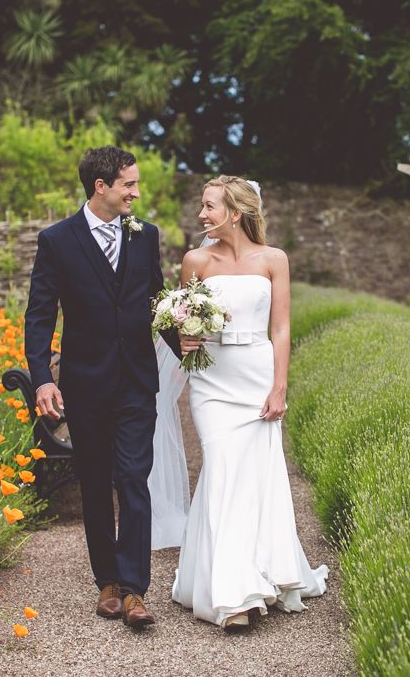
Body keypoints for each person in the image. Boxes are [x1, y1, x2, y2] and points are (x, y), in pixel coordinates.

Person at [24, 146, 180, 629]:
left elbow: (156, 300)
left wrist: (190, 350)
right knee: (94, 483)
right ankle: (106, 583)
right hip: (85, 383)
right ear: (102, 187)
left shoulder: (145, 235)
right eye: (129, 184)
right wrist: (42, 379)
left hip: (136, 380)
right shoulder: (57, 240)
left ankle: (135, 590)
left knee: (133, 478)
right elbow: (40, 313)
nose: (136, 192)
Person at [171, 175, 328, 629]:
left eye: (209, 206)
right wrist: (186, 335)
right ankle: (233, 596)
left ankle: (263, 572)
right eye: (202, 206)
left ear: (235, 213)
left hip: (256, 375)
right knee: (221, 468)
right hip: (213, 382)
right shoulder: (195, 260)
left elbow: (280, 328)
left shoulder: (273, 259)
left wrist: (280, 386)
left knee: (256, 475)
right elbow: (184, 322)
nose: (201, 215)